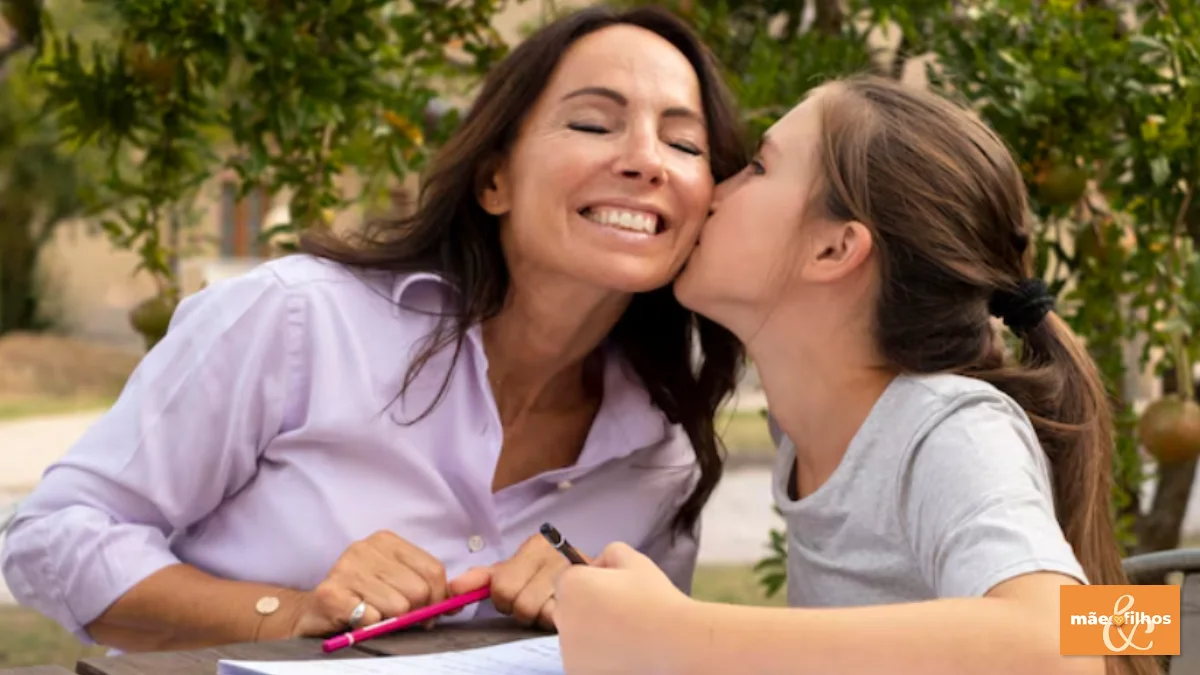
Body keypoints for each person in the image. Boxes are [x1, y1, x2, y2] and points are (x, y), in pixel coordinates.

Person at [0, 5, 749, 652]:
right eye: (593, 122)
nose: (648, 160)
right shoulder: (296, 321)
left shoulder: (662, 450)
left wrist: (595, 617)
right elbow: (53, 534)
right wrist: (288, 612)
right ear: (494, 180)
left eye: (685, 144)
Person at [553, 75, 1159, 675]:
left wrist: (679, 633)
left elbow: (1065, 643)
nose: (713, 188)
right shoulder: (811, 430)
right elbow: (1118, 620)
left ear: (834, 250)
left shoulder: (948, 430)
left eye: (759, 168)